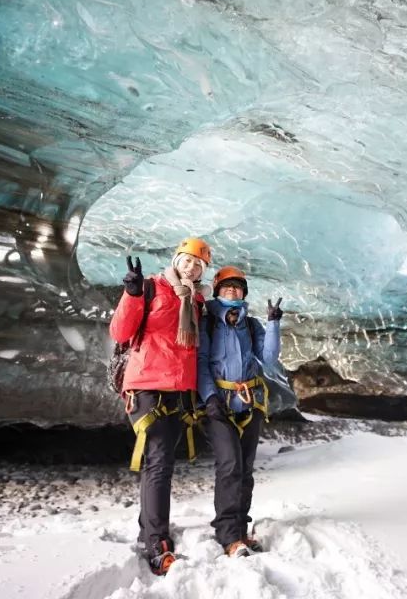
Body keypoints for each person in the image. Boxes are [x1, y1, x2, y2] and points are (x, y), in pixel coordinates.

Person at [108, 237, 211, 576]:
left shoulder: (196, 300)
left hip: (179, 393)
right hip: (149, 388)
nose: (192, 267)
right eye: (188, 260)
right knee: (160, 464)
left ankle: (147, 528)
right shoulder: (152, 287)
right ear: (176, 259)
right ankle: (156, 542)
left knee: (160, 462)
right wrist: (132, 294)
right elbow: (120, 331)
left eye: (199, 264)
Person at [197, 265, 284, 557]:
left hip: (250, 402)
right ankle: (228, 536)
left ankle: (241, 531)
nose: (232, 291)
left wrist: (273, 324)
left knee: (245, 470)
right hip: (219, 404)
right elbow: (201, 361)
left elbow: (269, 358)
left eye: (237, 287)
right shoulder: (207, 324)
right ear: (217, 290)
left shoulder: (252, 325)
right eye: (227, 286)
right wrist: (209, 397)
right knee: (230, 466)